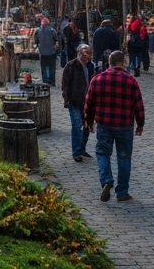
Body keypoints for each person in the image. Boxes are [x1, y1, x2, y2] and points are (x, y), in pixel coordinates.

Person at [84, 50, 145, 202]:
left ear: (109, 62)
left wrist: (89, 121)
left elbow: (89, 103)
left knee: (103, 153)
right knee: (124, 158)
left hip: (104, 123)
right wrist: (140, 124)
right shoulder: (131, 81)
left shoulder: (97, 79)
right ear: (124, 62)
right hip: (124, 125)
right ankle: (122, 192)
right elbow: (138, 104)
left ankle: (106, 180)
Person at [61, 44, 96, 162]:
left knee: (87, 127)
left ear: (91, 55)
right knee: (76, 126)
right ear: (78, 54)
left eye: (87, 53)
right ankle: (76, 152)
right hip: (75, 101)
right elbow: (65, 84)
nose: (84, 55)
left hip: (89, 103)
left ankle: (82, 149)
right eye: (82, 53)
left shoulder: (92, 67)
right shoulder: (71, 66)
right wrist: (67, 99)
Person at [36, 17, 59, 85]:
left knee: (43, 68)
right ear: (48, 24)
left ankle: (45, 81)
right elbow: (56, 41)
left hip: (42, 52)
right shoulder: (52, 30)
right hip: (51, 52)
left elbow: (36, 41)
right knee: (51, 68)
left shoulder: (38, 31)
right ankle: (51, 81)